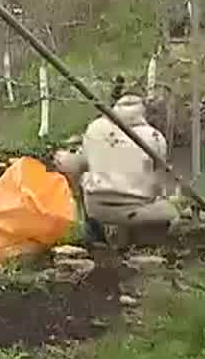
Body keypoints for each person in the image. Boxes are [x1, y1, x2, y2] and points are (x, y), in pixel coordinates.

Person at [52, 79, 180, 246]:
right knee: (171, 212)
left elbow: (78, 165)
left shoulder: (95, 128)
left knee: (84, 180)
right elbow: (157, 183)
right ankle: (141, 241)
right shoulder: (155, 137)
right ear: (144, 111)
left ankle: (94, 235)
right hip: (136, 207)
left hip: (98, 208)